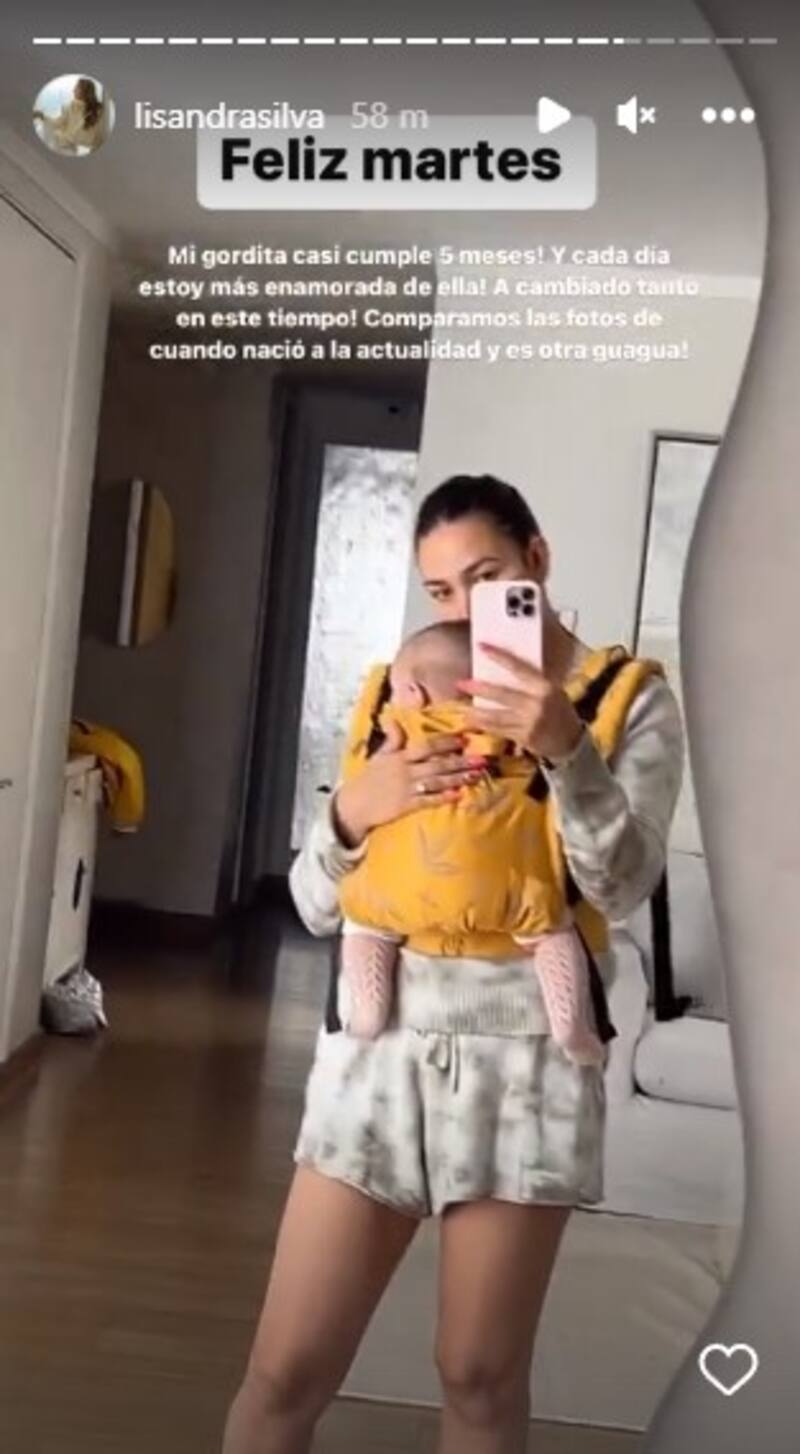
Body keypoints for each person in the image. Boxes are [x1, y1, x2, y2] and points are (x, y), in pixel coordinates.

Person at [221, 474, 684, 1454]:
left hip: (529, 1059)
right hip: (376, 1050)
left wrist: (563, 746)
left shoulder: (628, 699)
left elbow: (619, 890)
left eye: (484, 576)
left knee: (477, 1375)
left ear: (535, 560)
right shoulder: (403, 689)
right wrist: (355, 808)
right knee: (283, 1368)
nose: (464, 608)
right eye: (439, 589)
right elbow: (316, 903)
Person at [338, 617, 661, 1065]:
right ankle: (571, 1026)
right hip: (509, 886)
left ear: (411, 692)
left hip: (401, 887)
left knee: (363, 925)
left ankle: (367, 1011)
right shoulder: (515, 730)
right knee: (553, 933)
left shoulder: (392, 730)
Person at [33, 77, 108, 155]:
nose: (73, 90)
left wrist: (66, 138)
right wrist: (41, 116)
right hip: (62, 143)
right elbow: (58, 122)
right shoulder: (69, 107)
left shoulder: (96, 111)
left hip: (70, 146)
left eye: (77, 88)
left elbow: (88, 139)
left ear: (84, 91)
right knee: (42, 131)